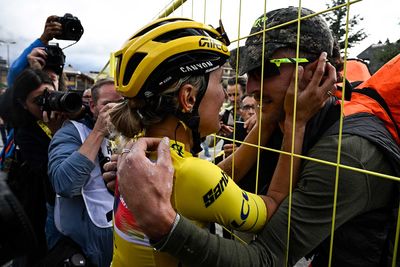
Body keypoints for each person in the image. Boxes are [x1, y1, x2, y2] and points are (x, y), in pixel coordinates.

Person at [116, 7, 400, 267]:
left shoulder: (349, 152)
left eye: (265, 70)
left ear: (318, 70)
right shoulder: (282, 124)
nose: (249, 87)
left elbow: (266, 259)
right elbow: (218, 179)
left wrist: (164, 225)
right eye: (248, 72)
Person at [48, 78, 123, 267]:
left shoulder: (131, 132)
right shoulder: (71, 133)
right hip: (90, 248)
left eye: (122, 103)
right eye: (108, 104)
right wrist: (98, 131)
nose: (116, 109)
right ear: (93, 106)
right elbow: (64, 184)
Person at [5, 68, 65, 266]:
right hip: (39, 207)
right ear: (23, 104)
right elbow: (51, 172)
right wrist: (58, 136)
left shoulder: (65, 115)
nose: (46, 104)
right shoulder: (25, 133)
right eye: (39, 100)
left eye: (50, 95)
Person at [7, 15, 63, 89]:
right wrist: (43, 39)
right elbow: (15, 72)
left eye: (53, 79)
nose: (51, 76)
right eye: (44, 77)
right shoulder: (23, 96)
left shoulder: (66, 98)